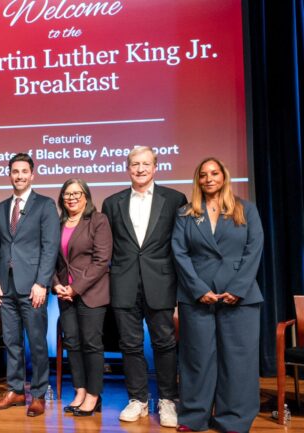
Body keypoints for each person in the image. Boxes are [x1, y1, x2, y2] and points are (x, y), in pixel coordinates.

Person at [171, 158, 264, 433]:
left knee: (239, 359)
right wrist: (199, 290)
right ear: (197, 180)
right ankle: (193, 417)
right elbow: (180, 253)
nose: (209, 178)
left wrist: (238, 288)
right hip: (197, 296)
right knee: (196, 358)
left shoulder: (245, 209)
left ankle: (234, 420)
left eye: (214, 173)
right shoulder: (186, 213)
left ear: (224, 176)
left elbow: (254, 249)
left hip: (241, 296)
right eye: (203, 175)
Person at [101, 146, 187, 427]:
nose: (140, 169)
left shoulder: (175, 200)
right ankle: (138, 399)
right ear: (127, 168)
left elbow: (180, 245)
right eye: (135, 164)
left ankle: (167, 400)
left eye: (145, 164)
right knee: (130, 344)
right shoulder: (112, 203)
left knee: (164, 343)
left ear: (155, 167)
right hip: (124, 283)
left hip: (161, 282)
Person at [0, 153, 60, 417]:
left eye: (24, 171)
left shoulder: (45, 205)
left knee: (38, 343)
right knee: (11, 343)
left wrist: (42, 283)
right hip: (6, 288)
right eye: (15, 171)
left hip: (33, 288)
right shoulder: (1, 207)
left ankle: (38, 394)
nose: (19, 176)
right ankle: (16, 391)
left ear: (32, 174)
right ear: (10, 174)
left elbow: (50, 247)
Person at [53, 178, 112, 417]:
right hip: (64, 295)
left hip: (91, 293)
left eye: (77, 193)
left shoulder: (98, 220)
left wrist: (75, 288)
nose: (72, 197)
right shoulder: (57, 223)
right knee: (73, 344)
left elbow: (101, 261)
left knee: (91, 345)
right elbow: (51, 259)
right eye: (67, 194)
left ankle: (93, 395)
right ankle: (79, 390)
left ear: (86, 196)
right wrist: (57, 285)